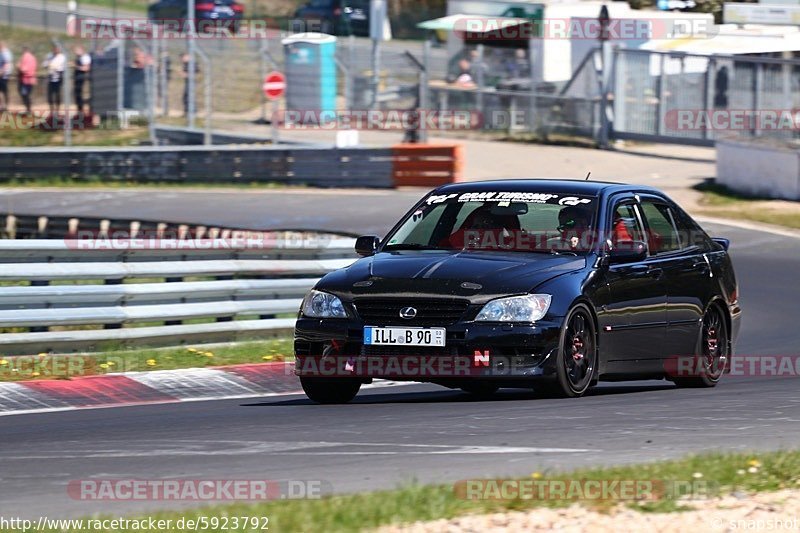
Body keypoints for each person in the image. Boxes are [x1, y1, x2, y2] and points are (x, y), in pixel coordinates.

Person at [43, 43, 66, 115]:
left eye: (57, 48)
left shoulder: (62, 57)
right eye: (54, 48)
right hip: (50, 78)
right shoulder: (49, 56)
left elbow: (62, 68)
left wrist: (56, 68)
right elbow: (44, 64)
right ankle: (51, 111)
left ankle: (57, 111)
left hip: (58, 79)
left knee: (57, 95)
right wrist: (48, 64)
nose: (55, 50)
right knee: (49, 95)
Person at [16, 46, 37, 115]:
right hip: (28, 79)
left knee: (25, 94)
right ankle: (28, 109)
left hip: (26, 79)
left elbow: (24, 69)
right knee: (26, 94)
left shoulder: (26, 57)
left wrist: (19, 67)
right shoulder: (32, 57)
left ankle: (29, 109)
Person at [73, 45, 92, 114]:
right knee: (77, 95)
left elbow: (87, 68)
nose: (75, 52)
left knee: (83, 95)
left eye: (77, 50)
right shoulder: (78, 58)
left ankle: (85, 111)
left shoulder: (85, 57)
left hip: (83, 78)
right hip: (77, 79)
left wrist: (76, 67)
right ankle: (79, 110)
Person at [0, 42, 12, 112]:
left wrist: (2, 71)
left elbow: (7, 64)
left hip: (4, 76)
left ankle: (6, 106)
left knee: (5, 92)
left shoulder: (6, 53)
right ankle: (1, 106)